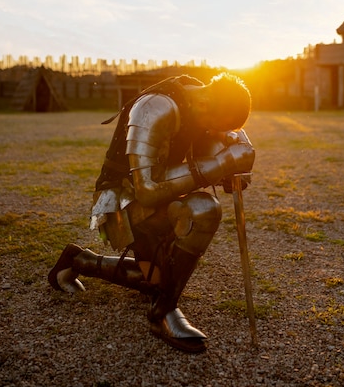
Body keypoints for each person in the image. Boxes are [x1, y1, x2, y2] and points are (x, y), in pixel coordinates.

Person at [48, 73, 255, 353]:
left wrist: (233, 171)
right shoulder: (155, 107)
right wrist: (223, 162)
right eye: (211, 123)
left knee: (157, 280)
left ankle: (78, 260)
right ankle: (163, 313)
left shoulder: (206, 104)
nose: (209, 129)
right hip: (123, 202)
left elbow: (220, 140)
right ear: (206, 101)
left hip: (161, 194)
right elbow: (147, 189)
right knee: (203, 208)